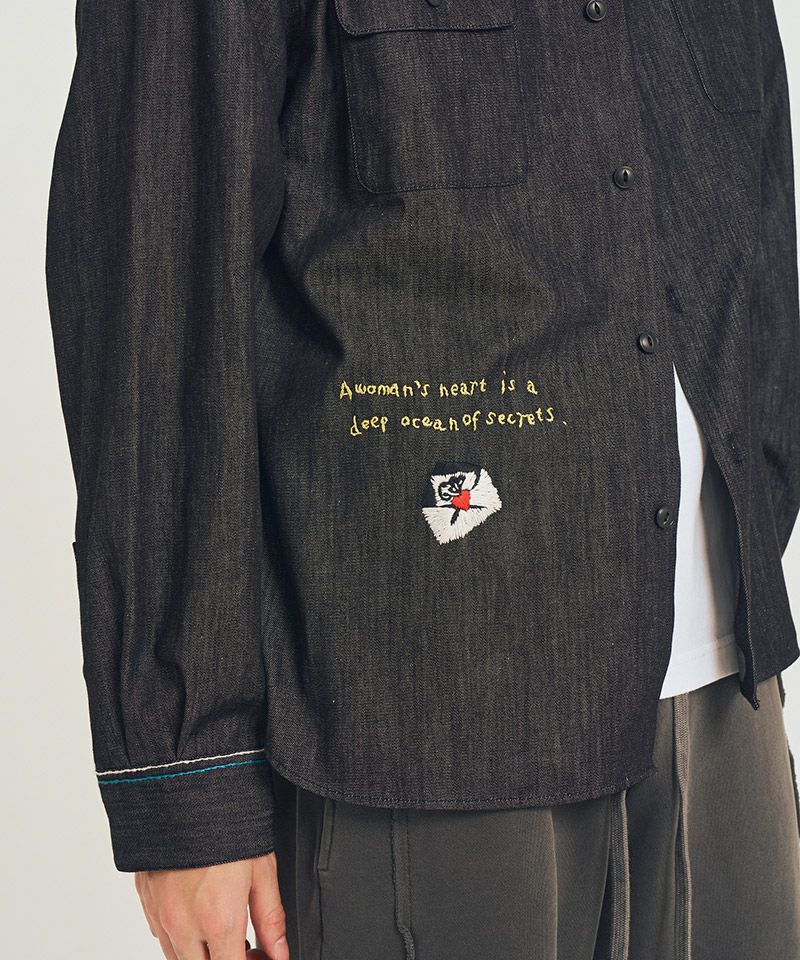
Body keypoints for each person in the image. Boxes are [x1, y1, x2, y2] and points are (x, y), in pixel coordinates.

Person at [45, 0, 800, 956]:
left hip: (728, 691)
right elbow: (158, 273)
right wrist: (184, 778)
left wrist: (759, 497)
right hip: (416, 719)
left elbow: (755, 198)